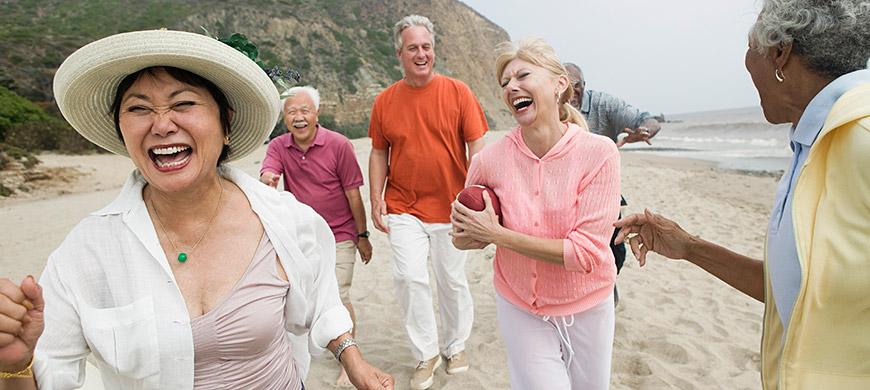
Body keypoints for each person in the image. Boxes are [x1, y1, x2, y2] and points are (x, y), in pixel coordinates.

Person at [0, 29, 393, 390]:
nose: (162, 124)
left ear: (226, 125)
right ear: (122, 130)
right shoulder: (86, 253)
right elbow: (50, 371)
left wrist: (352, 357)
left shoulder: (286, 220)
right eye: (138, 109)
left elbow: (323, 297)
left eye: (183, 103)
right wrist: (14, 365)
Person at [614, 1, 870, 388]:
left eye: (751, 49)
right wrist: (690, 248)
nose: (747, 64)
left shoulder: (862, 137)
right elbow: (797, 295)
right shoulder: (812, 143)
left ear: (780, 52)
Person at [452, 38, 620, 390]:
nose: (512, 86)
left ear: (560, 85)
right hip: (520, 305)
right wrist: (469, 230)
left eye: (523, 74)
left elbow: (586, 253)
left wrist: (498, 235)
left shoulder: (599, 153)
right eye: (505, 83)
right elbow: (463, 239)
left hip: (589, 306)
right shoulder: (488, 161)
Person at [368, 14, 488, 390]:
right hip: (403, 205)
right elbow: (377, 152)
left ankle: (455, 345)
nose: (421, 54)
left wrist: (478, 196)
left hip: (453, 209)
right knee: (408, 277)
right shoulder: (385, 101)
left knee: (451, 280)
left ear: (433, 51)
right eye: (412, 48)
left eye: (426, 47)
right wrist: (376, 197)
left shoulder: (458, 92)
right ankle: (426, 353)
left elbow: (477, 147)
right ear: (399, 54)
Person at [260, 85, 373, 388]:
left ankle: (348, 360)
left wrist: (362, 235)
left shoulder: (339, 145)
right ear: (284, 117)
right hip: (302, 237)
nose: (299, 117)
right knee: (298, 295)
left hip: (341, 234)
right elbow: (269, 173)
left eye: (304, 110)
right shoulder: (279, 146)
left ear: (317, 113)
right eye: (292, 111)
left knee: (339, 293)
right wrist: (268, 180)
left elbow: (353, 194)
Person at [564, 62, 663, 302]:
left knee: (614, 251)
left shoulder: (603, 104)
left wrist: (644, 131)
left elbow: (648, 120)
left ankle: (608, 284)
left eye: (576, 87)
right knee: (573, 251)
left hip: (603, 196)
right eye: (566, 87)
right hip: (565, 194)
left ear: (584, 86)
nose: (572, 93)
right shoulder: (551, 105)